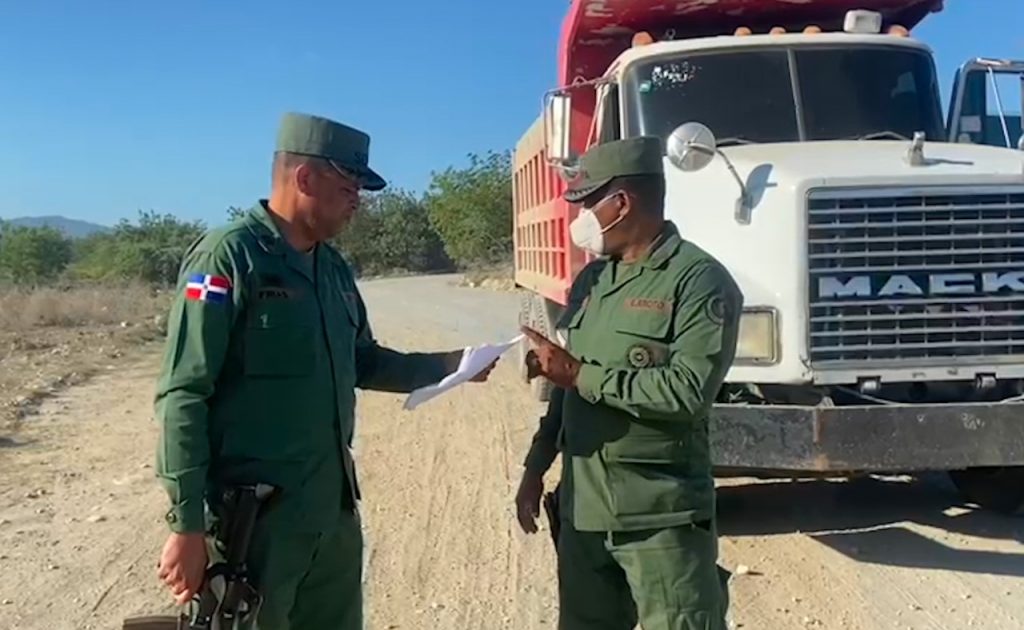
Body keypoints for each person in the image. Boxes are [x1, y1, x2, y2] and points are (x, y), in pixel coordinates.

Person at [152, 111, 495, 630]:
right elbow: (184, 392)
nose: (358, 197)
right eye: (348, 182)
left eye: (360, 186)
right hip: (257, 526)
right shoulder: (230, 257)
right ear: (305, 178)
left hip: (331, 516)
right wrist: (187, 525)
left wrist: (453, 366)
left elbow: (363, 360)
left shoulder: (331, 268)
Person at [515, 136, 743, 630]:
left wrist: (578, 373)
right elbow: (565, 391)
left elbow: (686, 391)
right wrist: (536, 468)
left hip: (658, 519)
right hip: (583, 515)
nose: (579, 216)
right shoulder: (593, 282)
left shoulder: (697, 281)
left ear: (621, 204)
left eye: (586, 202)